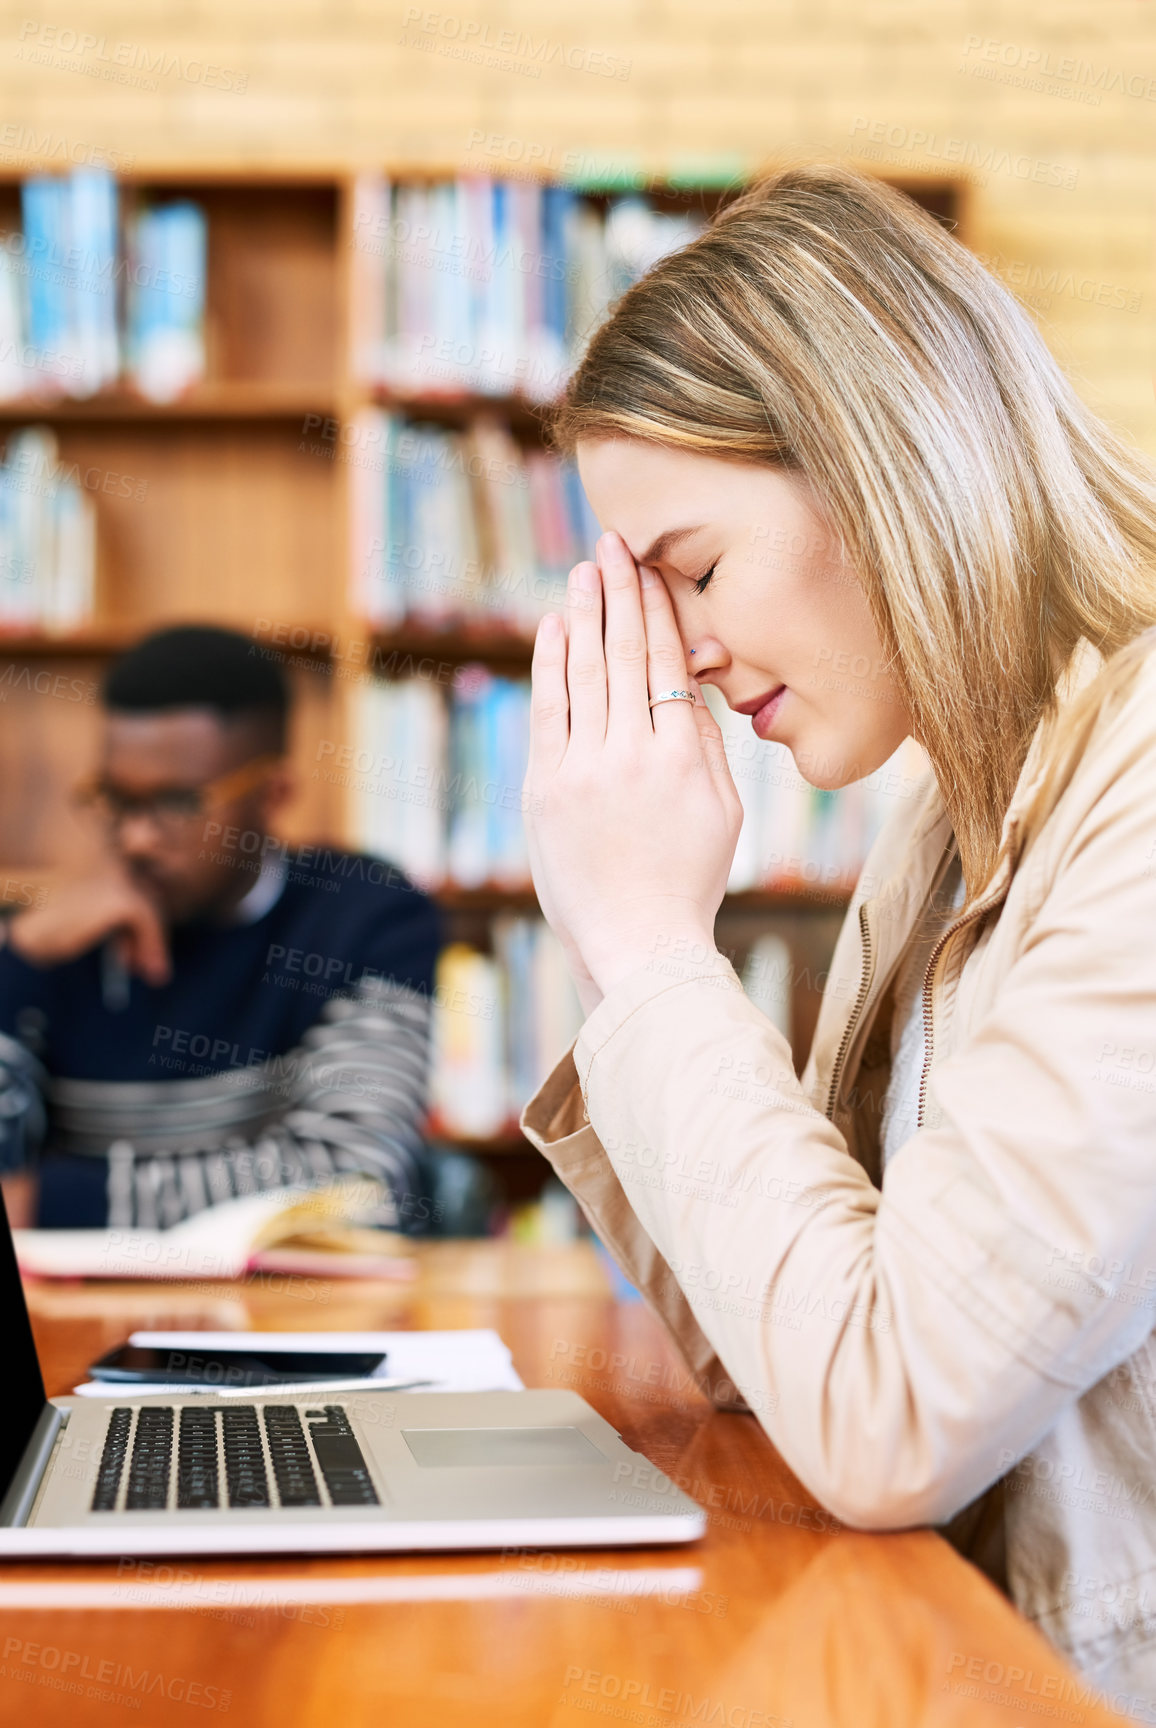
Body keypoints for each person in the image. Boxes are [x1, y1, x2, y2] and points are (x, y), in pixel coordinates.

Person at [518, 163, 1156, 1708]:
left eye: (696, 572)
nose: (686, 652)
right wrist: (617, 945)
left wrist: (658, 945)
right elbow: (784, 1355)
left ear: (876, 463)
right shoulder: (945, 827)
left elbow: (887, 1423)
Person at [0, 624, 442, 1234]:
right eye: (117, 799)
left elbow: (359, 1185)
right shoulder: (48, 943)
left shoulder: (367, 918)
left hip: (295, 1321)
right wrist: (13, 964)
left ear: (273, 792)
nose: (136, 837)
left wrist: (45, 1202)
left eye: (179, 803)